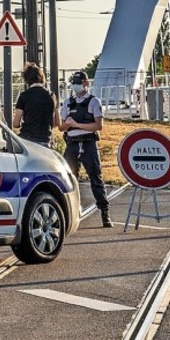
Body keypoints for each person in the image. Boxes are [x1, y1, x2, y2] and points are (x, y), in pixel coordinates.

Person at [60, 70, 111, 227]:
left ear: (86, 83)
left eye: (78, 83)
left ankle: (104, 211)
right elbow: (61, 127)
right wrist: (68, 124)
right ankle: (70, 212)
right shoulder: (68, 102)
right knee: (69, 178)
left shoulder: (94, 102)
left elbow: (98, 125)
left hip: (88, 142)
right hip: (73, 143)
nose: (75, 86)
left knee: (96, 177)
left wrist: (78, 125)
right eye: (73, 83)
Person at [12, 62, 58, 148]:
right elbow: (55, 123)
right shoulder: (51, 95)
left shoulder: (24, 96)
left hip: (28, 140)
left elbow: (15, 123)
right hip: (45, 140)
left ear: (26, 80)